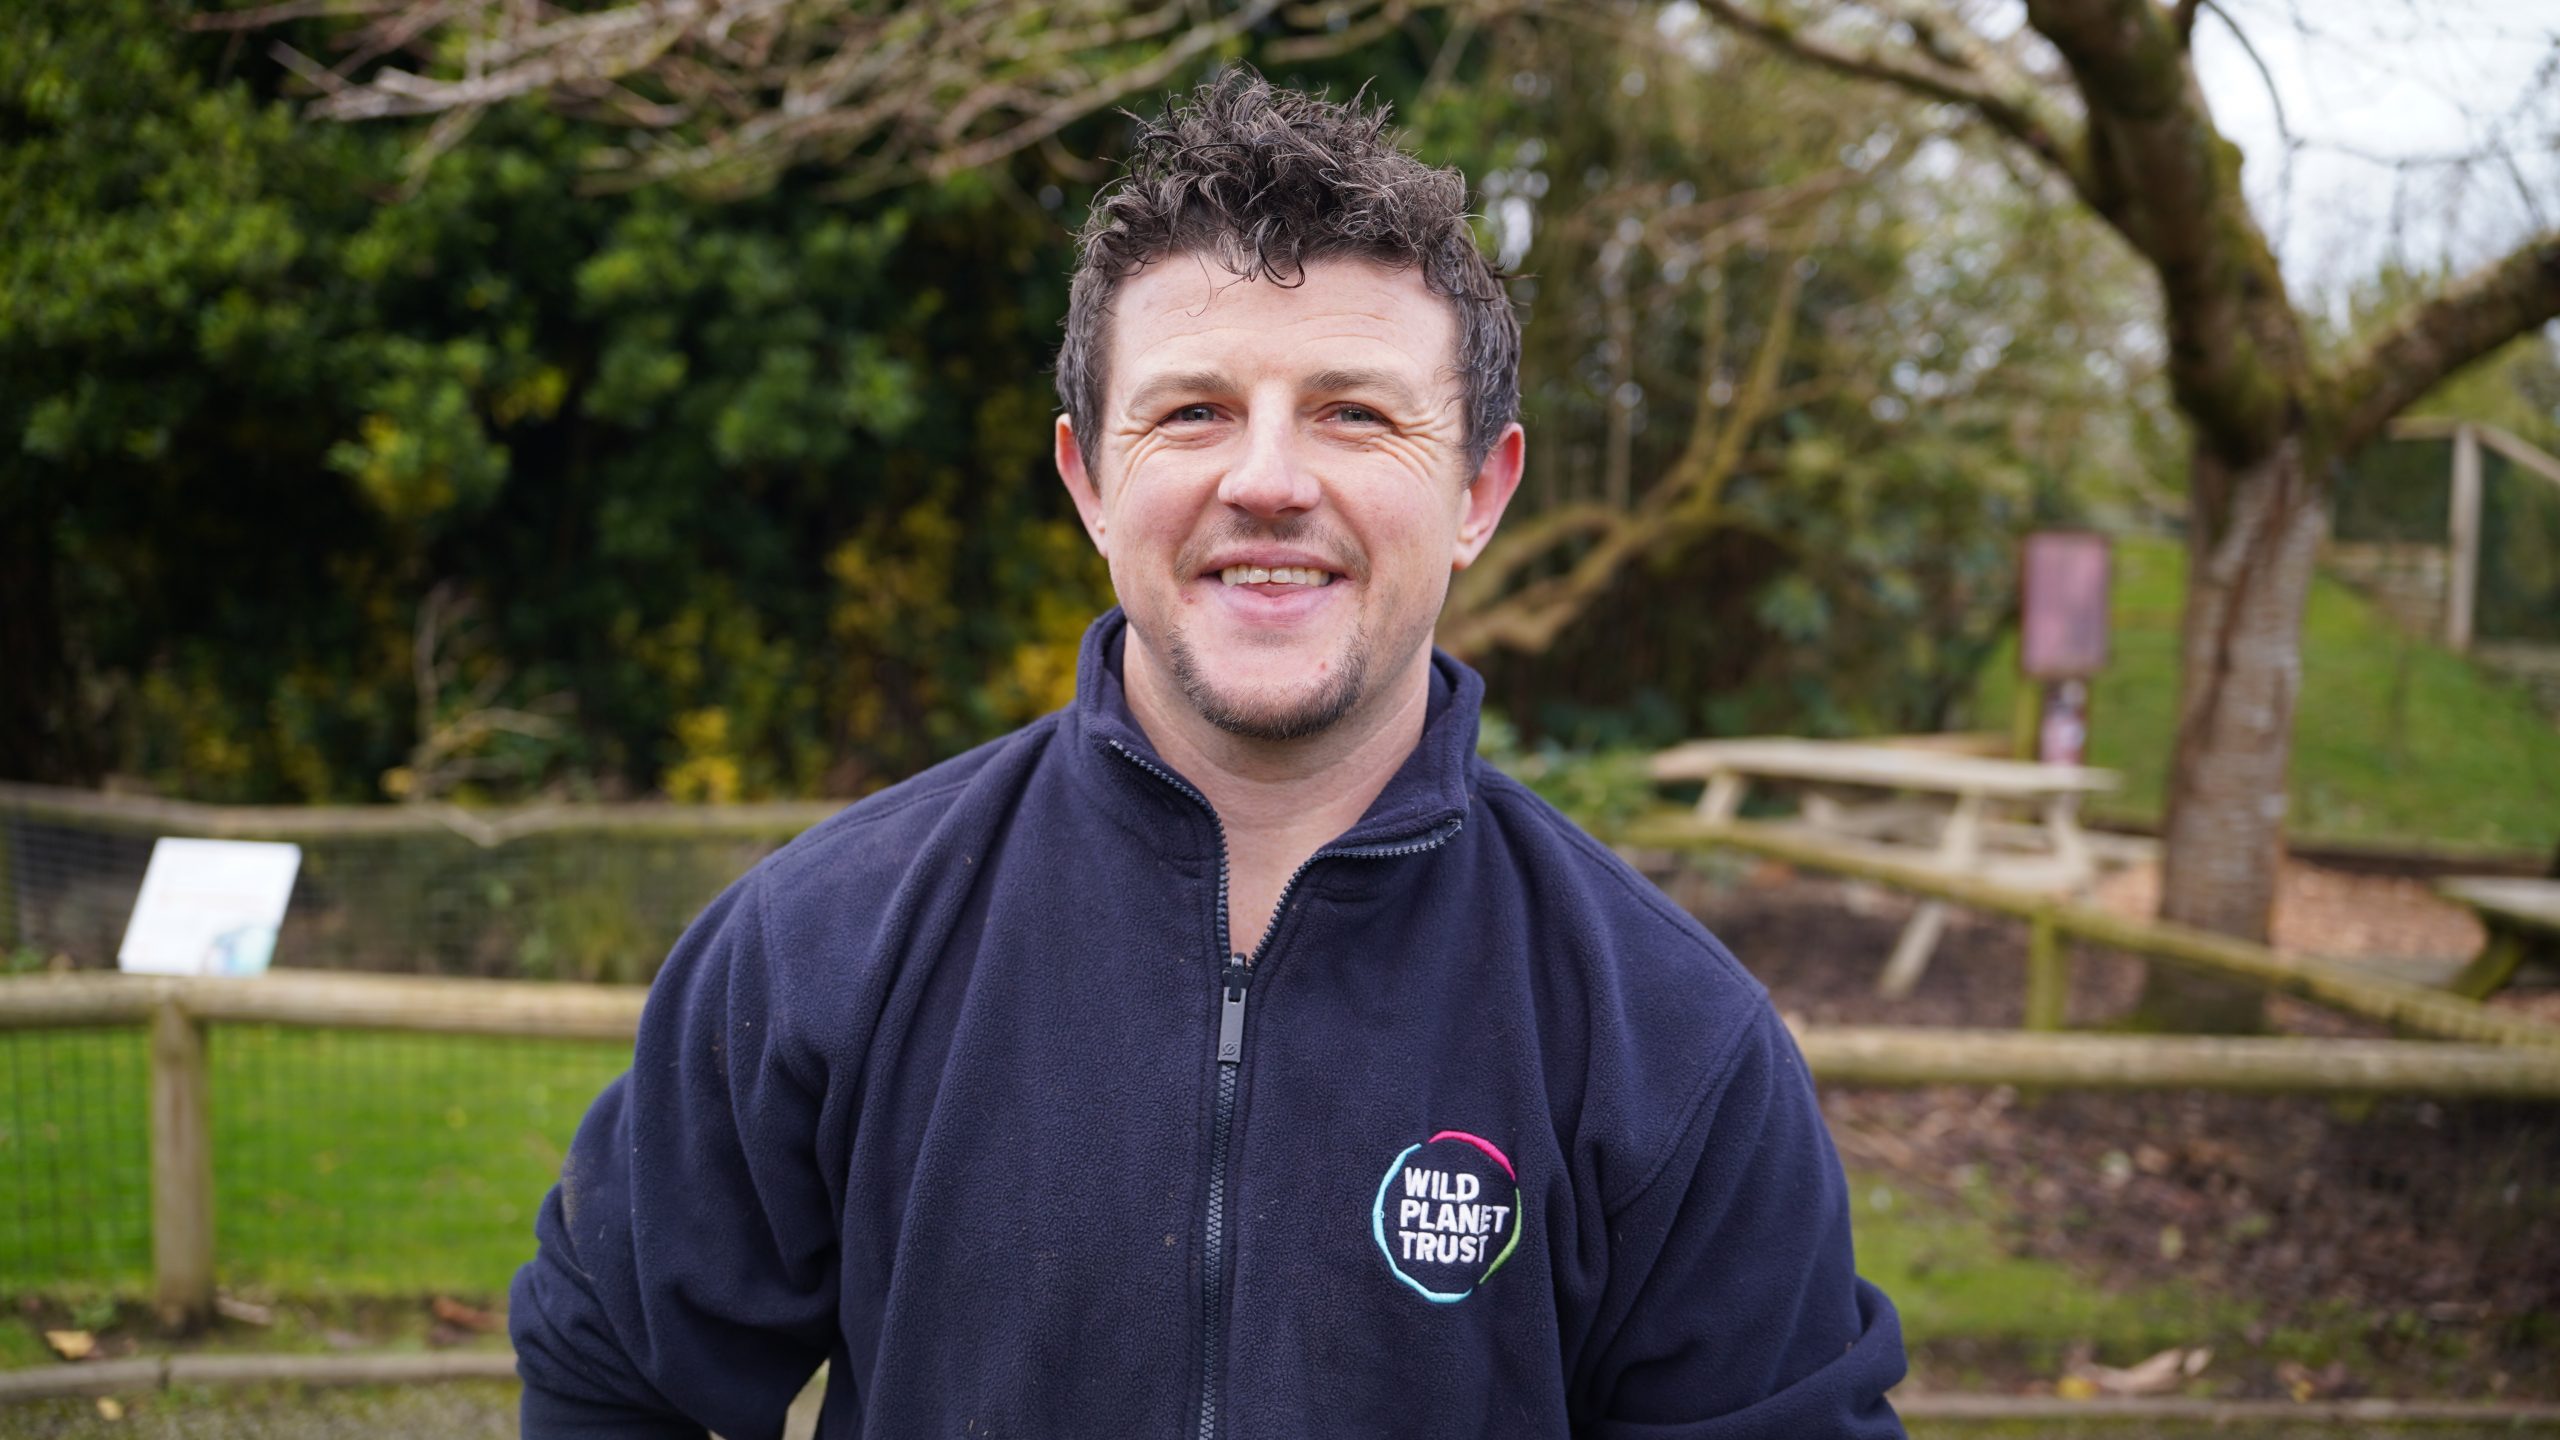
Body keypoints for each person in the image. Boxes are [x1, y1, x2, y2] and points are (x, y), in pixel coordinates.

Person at [510, 70, 1906, 1439]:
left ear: (1480, 490)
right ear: (1089, 482)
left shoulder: (1670, 1040)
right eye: (1194, 412)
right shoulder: (824, 946)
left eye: (1356, 413)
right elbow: (612, 1368)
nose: (1269, 481)